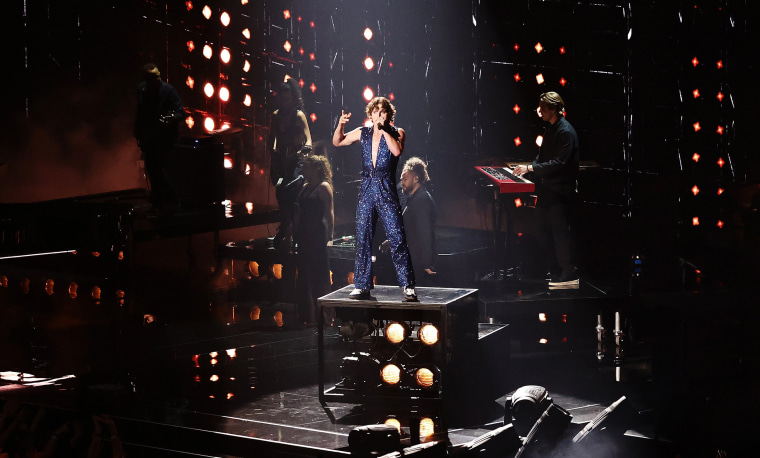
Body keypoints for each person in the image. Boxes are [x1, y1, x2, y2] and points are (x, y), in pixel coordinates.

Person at [332, 96, 416, 301]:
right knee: (363, 237)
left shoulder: (398, 132)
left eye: (383, 111)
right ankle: (362, 285)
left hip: (386, 187)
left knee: (396, 237)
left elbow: (396, 150)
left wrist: (385, 129)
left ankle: (407, 285)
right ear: (370, 114)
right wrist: (340, 125)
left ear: (389, 114)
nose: (379, 114)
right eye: (376, 111)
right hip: (367, 187)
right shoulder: (363, 133)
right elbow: (337, 141)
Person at [513, 91, 580, 288]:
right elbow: (541, 158)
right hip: (546, 190)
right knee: (540, 228)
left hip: (559, 191)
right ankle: (556, 268)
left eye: (542, 108)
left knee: (559, 233)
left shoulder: (565, 132)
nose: (539, 111)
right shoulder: (550, 129)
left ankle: (569, 271)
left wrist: (531, 168)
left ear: (553, 109)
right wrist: (527, 169)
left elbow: (559, 162)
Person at [268, 78, 313, 249]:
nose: (285, 101)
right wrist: (274, 153)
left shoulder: (298, 115)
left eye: (288, 98)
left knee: (294, 194)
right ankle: (285, 226)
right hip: (281, 161)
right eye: (282, 98)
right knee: (281, 193)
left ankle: (296, 231)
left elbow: (308, 138)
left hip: (297, 160)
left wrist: (305, 148)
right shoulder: (275, 115)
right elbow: (272, 139)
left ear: (292, 98)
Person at [133, 63, 185, 210]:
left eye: (158, 78)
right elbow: (141, 112)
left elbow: (180, 112)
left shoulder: (169, 91)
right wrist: (137, 130)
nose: (156, 82)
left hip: (165, 136)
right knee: (151, 166)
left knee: (155, 166)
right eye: (152, 79)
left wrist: (170, 118)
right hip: (150, 135)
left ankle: (171, 197)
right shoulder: (141, 89)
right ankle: (158, 198)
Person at [382, 157, 437, 286]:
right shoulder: (414, 199)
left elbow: (425, 233)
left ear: (416, 179)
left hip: (418, 263)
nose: (402, 182)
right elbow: (409, 228)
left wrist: (426, 263)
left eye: (405, 179)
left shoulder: (421, 200)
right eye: (401, 179)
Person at [294, 155, 334, 325]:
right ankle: (307, 316)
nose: (303, 169)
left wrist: (330, 237)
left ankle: (323, 318)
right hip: (304, 236)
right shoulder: (304, 187)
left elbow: (330, 213)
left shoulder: (323, 187)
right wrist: (291, 232)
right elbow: (299, 213)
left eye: (306, 166)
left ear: (316, 169)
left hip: (317, 235)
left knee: (319, 278)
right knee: (304, 277)